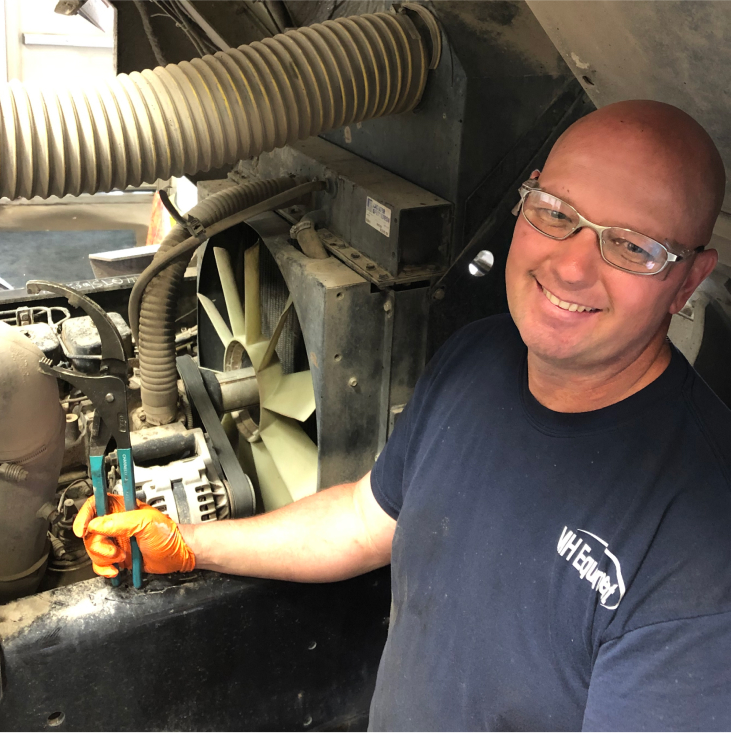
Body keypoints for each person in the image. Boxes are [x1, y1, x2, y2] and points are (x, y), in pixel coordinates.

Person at [75, 100, 731, 731]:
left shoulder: (701, 544)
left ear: (689, 279)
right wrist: (188, 541)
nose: (573, 264)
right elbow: (364, 518)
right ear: (525, 200)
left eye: (633, 246)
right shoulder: (479, 358)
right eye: (556, 212)